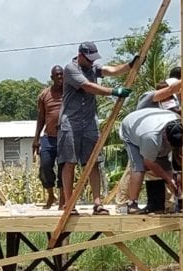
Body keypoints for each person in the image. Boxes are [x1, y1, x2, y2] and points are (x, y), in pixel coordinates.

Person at [59, 41, 139, 215]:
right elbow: (89, 87)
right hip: (70, 123)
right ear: (80, 55)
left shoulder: (93, 67)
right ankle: (69, 204)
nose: (91, 62)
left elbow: (110, 71)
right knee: (70, 163)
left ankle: (97, 204)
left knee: (93, 162)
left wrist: (129, 65)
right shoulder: (70, 69)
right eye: (89, 59)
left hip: (89, 123)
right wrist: (114, 92)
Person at [135, 68, 183, 213]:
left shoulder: (170, 103)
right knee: (143, 169)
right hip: (145, 142)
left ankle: (173, 203)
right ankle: (128, 203)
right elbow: (169, 91)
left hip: (166, 144)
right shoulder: (148, 99)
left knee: (174, 171)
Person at [119, 107, 183, 214]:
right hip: (131, 130)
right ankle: (132, 204)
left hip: (153, 125)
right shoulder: (150, 138)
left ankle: (180, 200)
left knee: (168, 169)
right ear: (165, 136)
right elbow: (148, 162)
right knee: (138, 167)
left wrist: (175, 176)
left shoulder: (181, 125)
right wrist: (168, 179)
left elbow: (179, 158)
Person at [32, 65, 64, 209]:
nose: (60, 77)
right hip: (48, 138)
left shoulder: (70, 93)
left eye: (62, 74)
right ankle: (51, 195)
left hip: (65, 138)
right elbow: (41, 118)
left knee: (64, 169)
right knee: (45, 167)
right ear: (52, 77)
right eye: (56, 75)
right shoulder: (44, 95)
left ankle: (63, 199)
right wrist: (36, 139)